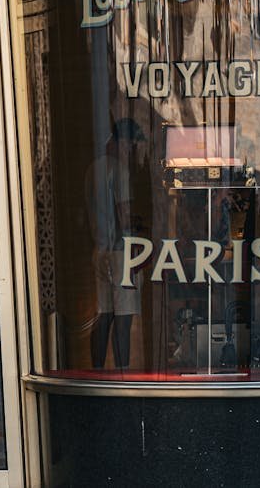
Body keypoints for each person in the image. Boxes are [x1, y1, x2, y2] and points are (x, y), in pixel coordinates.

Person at [84, 118, 147, 369]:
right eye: (131, 145)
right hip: (120, 253)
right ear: (122, 142)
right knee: (123, 319)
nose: (131, 150)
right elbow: (124, 216)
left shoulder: (93, 169)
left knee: (104, 314)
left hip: (99, 249)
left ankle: (97, 370)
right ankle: (123, 375)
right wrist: (143, 225)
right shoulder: (119, 170)